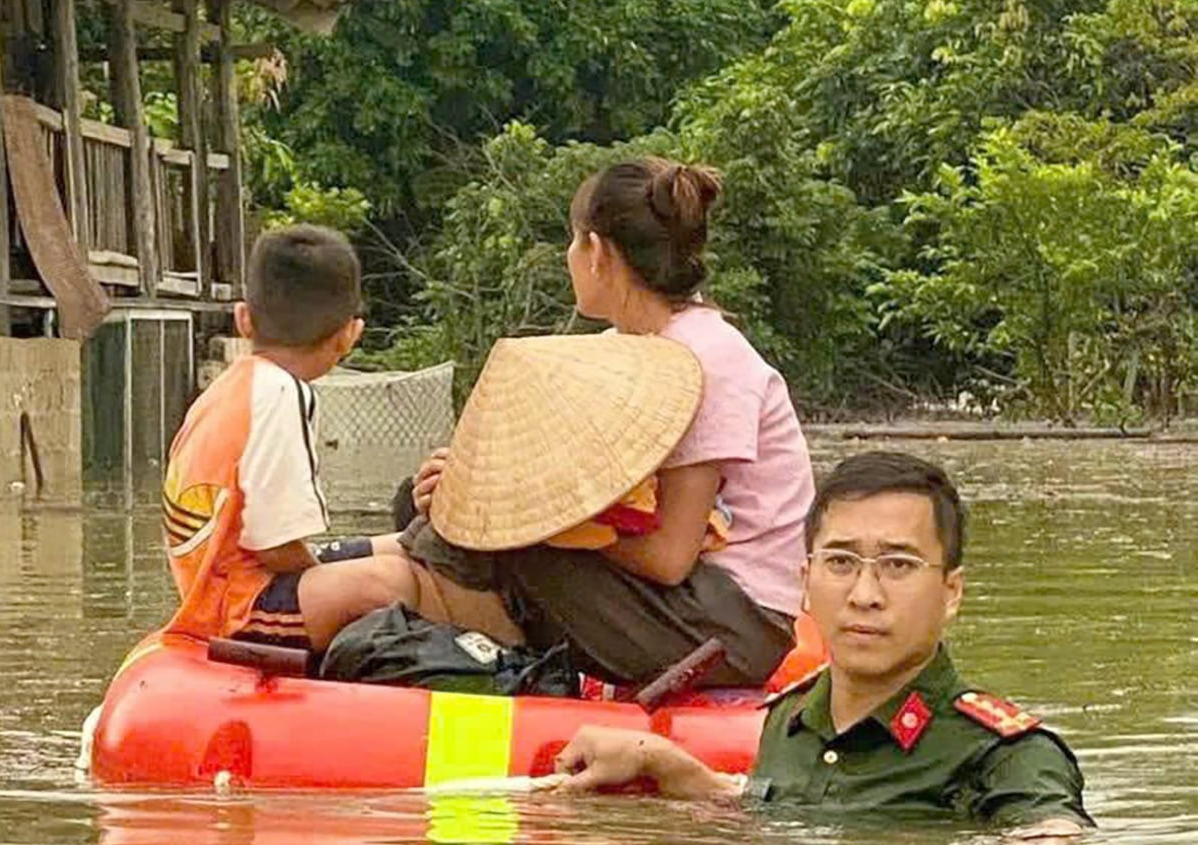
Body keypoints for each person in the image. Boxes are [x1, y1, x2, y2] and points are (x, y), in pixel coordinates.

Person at [305, 157, 815, 688]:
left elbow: (668, 557)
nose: (569, 258)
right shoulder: (617, 350)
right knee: (435, 501)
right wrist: (462, 485)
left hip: (729, 622)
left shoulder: (709, 359)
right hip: (675, 599)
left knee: (489, 536)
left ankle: (346, 597)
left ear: (596, 252)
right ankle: (345, 570)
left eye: (572, 243)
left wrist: (528, 517)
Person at [554, 452, 1093, 834]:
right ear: (805, 582)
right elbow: (769, 809)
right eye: (840, 563)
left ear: (951, 592)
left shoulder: (1007, 757)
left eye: (898, 566)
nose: (864, 594)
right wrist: (660, 762)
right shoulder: (789, 723)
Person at [160, 225, 367, 650]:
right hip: (236, 605)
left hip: (218, 587)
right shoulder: (280, 393)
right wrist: (327, 579)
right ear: (350, 334)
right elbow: (275, 547)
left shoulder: (231, 386)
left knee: (394, 548)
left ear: (243, 320)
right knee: (395, 581)